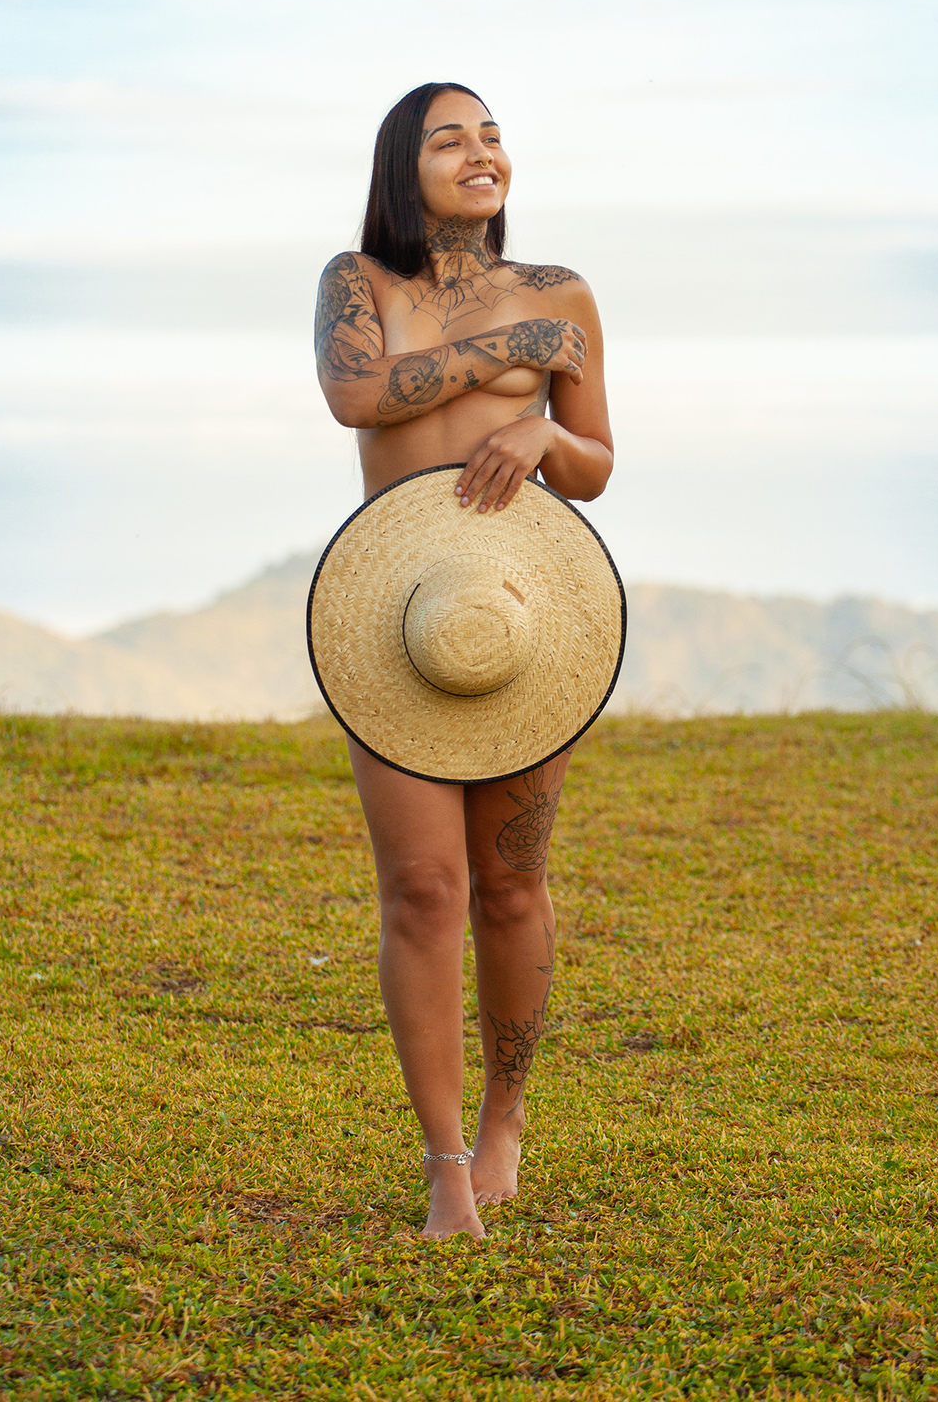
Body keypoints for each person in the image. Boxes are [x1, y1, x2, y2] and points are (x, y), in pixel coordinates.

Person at [313, 81, 614, 1240]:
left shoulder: (562, 292)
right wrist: (514, 353)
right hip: (392, 614)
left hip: (522, 618)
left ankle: (504, 1121)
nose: (481, 152)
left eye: (492, 136)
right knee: (424, 889)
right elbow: (356, 393)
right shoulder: (360, 283)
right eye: (451, 139)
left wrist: (546, 428)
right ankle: (444, 1164)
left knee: (511, 884)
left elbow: (595, 464)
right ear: (406, 168)